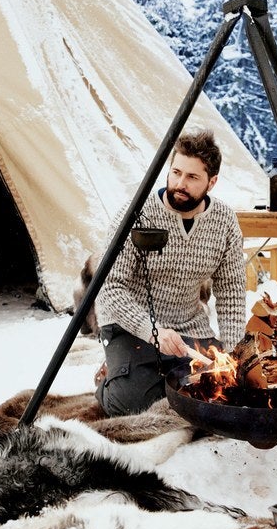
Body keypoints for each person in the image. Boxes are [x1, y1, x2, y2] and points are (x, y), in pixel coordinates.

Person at [94, 129, 246, 417]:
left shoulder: (224, 221)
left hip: (189, 328)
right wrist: (154, 332)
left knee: (216, 392)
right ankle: (110, 376)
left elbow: (232, 292)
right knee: (130, 404)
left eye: (192, 177)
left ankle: (147, 372)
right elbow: (110, 287)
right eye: (176, 172)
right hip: (130, 325)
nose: (180, 183)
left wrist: (231, 352)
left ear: (211, 182)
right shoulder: (138, 213)